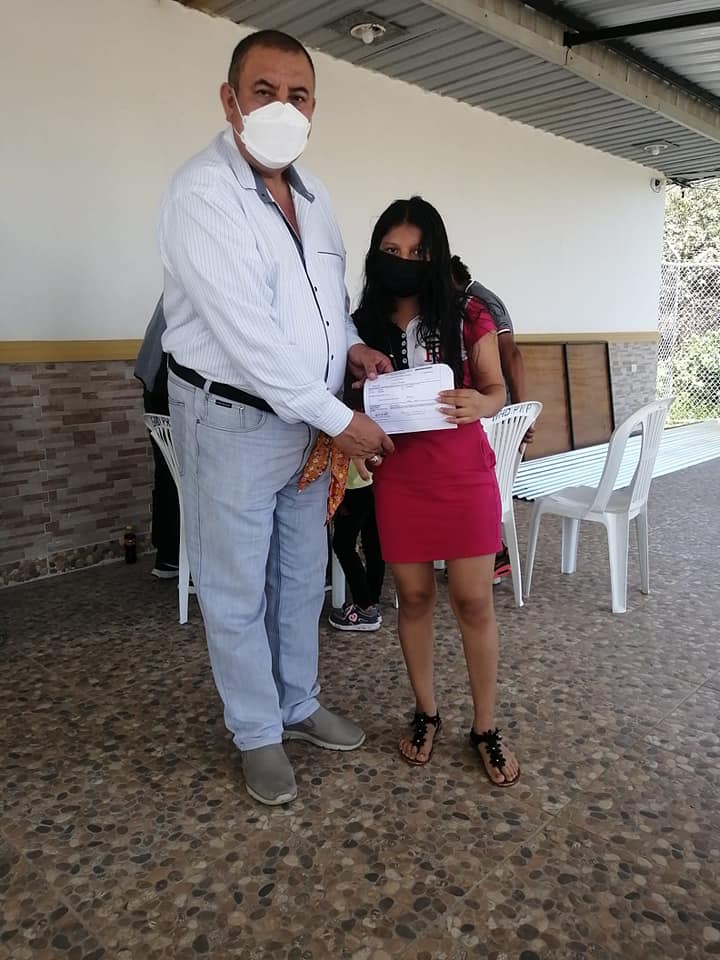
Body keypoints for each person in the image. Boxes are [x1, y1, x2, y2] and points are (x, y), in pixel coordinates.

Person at [159, 30, 394, 806]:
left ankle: (297, 703)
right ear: (230, 101)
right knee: (236, 590)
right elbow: (252, 339)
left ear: (314, 108)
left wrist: (352, 347)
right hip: (231, 420)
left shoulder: (315, 196)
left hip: (305, 429)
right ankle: (256, 730)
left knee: (298, 578)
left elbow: (325, 307)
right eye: (264, 92)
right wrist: (341, 418)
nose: (282, 108)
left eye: (298, 95)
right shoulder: (203, 194)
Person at [354, 197, 520, 787]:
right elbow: (351, 399)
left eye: (417, 251)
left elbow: (497, 390)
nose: (404, 260)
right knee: (414, 597)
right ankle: (426, 712)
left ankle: (485, 726)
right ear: (377, 254)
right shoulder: (362, 323)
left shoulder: (468, 313)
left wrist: (481, 402)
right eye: (392, 250)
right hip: (399, 476)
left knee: (473, 600)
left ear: (436, 253)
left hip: (463, 472)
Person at [450, 255, 533, 582]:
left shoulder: (479, 302)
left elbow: (511, 353)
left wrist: (522, 413)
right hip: (486, 410)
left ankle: (491, 555)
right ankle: (486, 553)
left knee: (484, 487)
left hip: (495, 412)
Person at [135, 298, 182, 580]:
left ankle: (169, 556)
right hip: (171, 387)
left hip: (155, 384)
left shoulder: (175, 288)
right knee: (191, 478)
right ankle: (193, 563)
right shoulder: (204, 282)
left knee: (169, 473)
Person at [328, 459, 385, 631]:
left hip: (353, 484)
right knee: (372, 543)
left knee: (342, 544)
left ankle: (364, 606)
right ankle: (372, 600)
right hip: (374, 481)